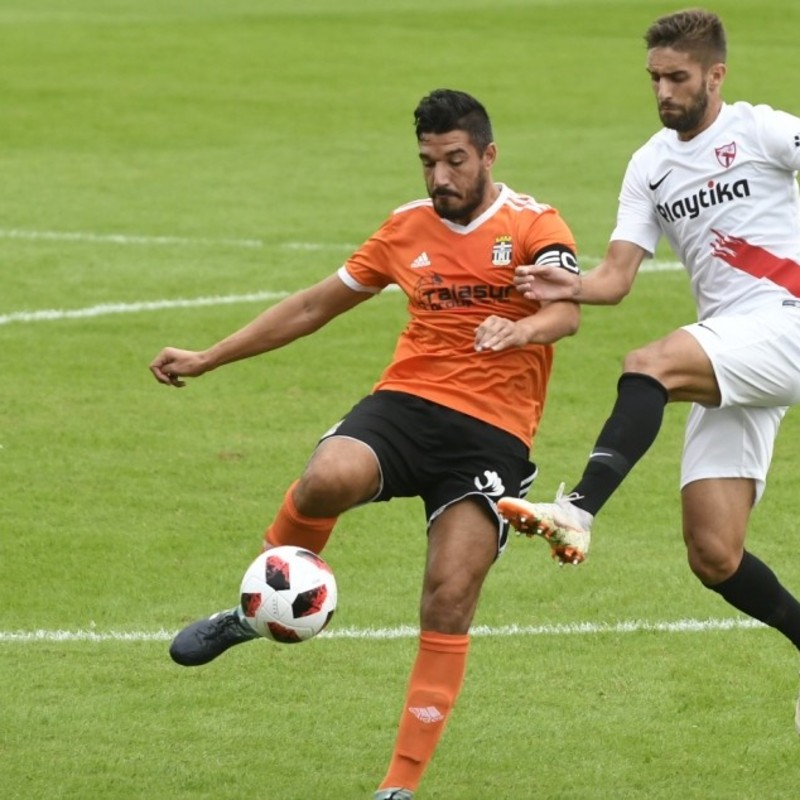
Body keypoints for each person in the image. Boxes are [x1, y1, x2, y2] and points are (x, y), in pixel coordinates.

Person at [150, 88, 580, 798]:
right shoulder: (406, 228)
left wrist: (522, 328)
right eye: (428, 162)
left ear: (488, 155)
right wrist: (208, 357)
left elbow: (566, 311)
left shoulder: (535, 225)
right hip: (407, 404)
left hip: (492, 434)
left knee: (449, 596)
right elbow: (313, 305)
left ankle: (398, 787)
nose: (440, 177)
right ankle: (255, 607)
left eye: (455, 160)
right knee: (327, 477)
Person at [498, 8, 800, 733]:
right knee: (713, 553)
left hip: (786, 321)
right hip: (736, 343)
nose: (664, 91)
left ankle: (576, 512)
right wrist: (570, 285)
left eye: (678, 77)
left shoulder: (761, 130)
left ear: (716, 75)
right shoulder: (651, 165)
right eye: (655, 78)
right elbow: (615, 278)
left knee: (650, 364)